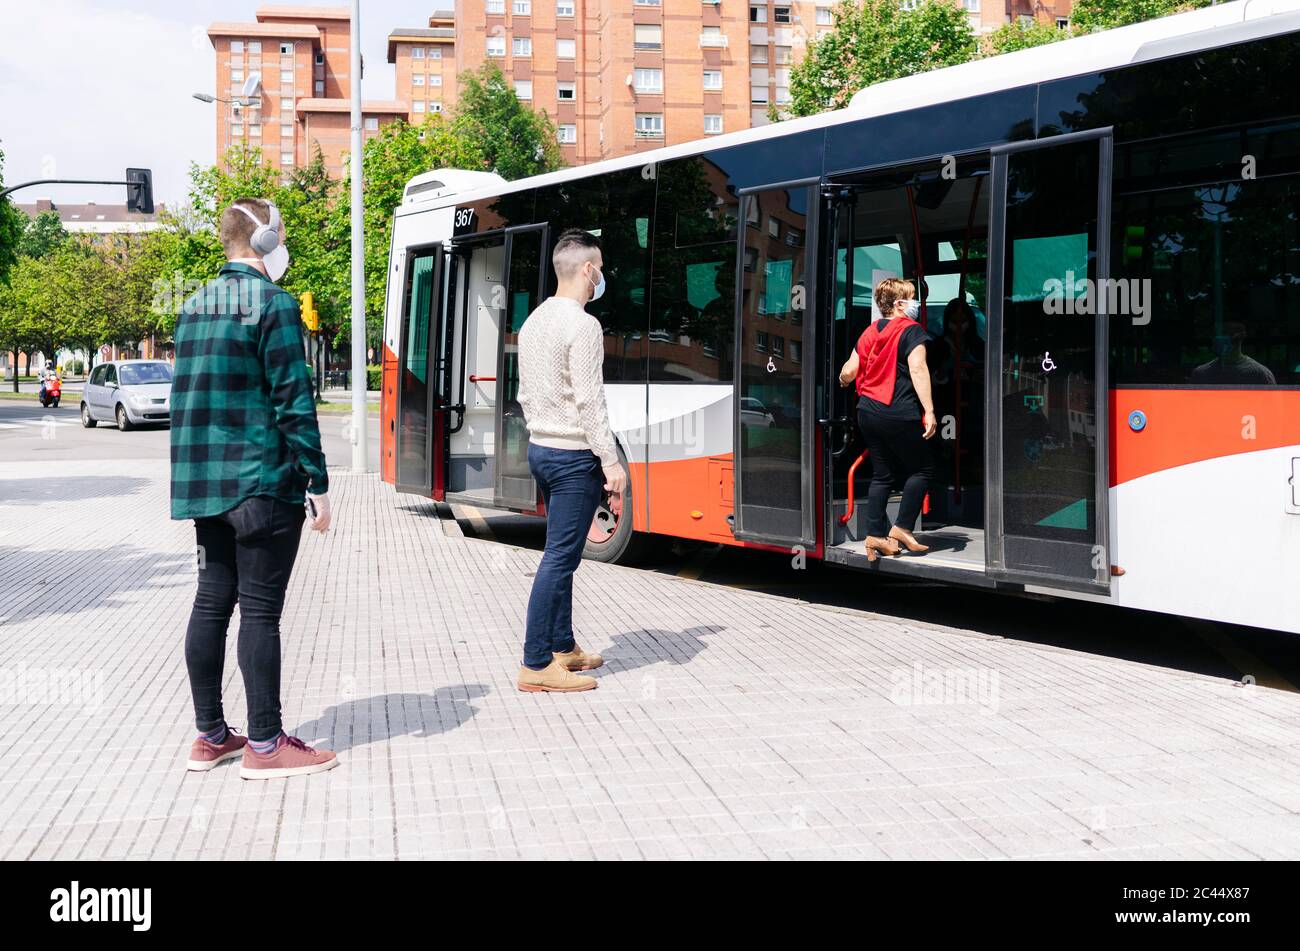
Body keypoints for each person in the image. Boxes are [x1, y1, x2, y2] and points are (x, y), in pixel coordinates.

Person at [171, 197, 339, 780]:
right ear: (265, 240)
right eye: (282, 233)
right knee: (261, 613)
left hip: (204, 486)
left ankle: (210, 734)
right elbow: (294, 404)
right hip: (262, 484)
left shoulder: (192, 305)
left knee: (211, 603)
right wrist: (317, 480)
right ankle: (265, 745)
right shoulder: (274, 304)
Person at [514, 228, 627, 693]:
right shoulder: (584, 325)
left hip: (541, 449)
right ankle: (536, 663)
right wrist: (611, 460)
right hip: (574, 457)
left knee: (563, 555)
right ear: (587, 270)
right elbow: (590, 401)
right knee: (559, 559)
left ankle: (563, 647)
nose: (601, 276)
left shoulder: (534, 320)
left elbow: (524, 393)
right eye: (599, 267)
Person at [838, 278, 938, 559]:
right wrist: (929, 410)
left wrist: (843, 379)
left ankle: (874, 537)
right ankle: (903, 528)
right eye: (912, 298)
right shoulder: (911, 332)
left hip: (867, 412)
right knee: (923, 469)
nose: (916, 303)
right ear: (899, 304)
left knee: (882, 474)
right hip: (898, 411)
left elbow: (848, 371)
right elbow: (918, 369)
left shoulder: (869, 332)